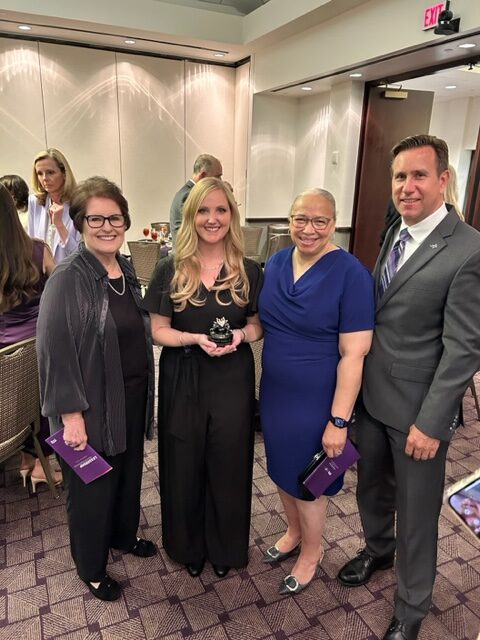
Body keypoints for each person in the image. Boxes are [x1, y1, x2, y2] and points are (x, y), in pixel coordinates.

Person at [337, 135, 480, 640]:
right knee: (371, 489)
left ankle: (412, 607)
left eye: (419, 175)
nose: (407, 186)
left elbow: (464, 349)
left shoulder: (469, 250)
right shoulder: (394, 228)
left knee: (417, 515)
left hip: (420, 412)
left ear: (444, 179)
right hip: (372, 399)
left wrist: (433, 420)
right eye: (400, 176)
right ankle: (377, 550)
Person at [36, 176, 156, 602]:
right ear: (80, 222)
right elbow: (54, 350)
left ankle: (122, 536)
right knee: (91, 488)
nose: (107, 226)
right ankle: (91, 566)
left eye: (116, 218)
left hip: (130, 395)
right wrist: (70, 416)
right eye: (96, 219)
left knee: (126, 475)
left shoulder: (123, 267)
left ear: (126, 221)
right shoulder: (69, 276)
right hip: (88, 404)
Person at [143, 177, 263, 578]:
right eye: (203, 211)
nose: (213, 219)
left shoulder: (248, 270)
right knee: (183, 462)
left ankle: (225, 546)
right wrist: (192, 338)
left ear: (232, 215)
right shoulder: (169, 269)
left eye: (221, 210)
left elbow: (257, 325)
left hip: (232, 376)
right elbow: (157, 330)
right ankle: (188, 545)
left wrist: (241, 336)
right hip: (184, 375)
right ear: (190, 216)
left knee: (229, 463)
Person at [258, 188, 374, 595]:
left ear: (334, 223)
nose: (308, 229)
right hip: (274, 393)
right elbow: (262, 323)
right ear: (289, 220)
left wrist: (339, 419)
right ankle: (292, 532)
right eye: (300, 219)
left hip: (318, 399)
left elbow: (354, 354)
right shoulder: (274, 263)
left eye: (320, 221)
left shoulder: (351, 274)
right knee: (280, 469)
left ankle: (312, 551)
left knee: (311, 482)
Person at [0, 182, 60, 490]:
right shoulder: (38, 251)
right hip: (39, 355)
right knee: (36, 387)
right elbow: (63, 295)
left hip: (4, 374)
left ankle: (22, 459)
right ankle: (39, 460)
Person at [28, 148, 81, 262]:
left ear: (64, 174)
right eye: (40, 173)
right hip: (42, 275)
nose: (44, 178)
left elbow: (79, 255)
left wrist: (59, 224)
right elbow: (32, 246)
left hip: (69, 273)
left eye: (50, 172)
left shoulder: (79, 204)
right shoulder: (35, 202)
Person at [169, 154, 223, 247]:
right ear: (203, 175)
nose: (220, 181)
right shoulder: (189, 195)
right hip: (187, 256)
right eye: (217, 176)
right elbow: (196, 232)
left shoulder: (186, 192)